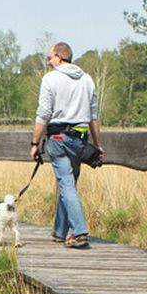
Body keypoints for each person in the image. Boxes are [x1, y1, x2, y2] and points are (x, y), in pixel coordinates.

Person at [30, 42, 104, 248]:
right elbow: (93, 116)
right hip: (80, 140)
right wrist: (98, 144)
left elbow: (43, 114)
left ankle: (79, 232)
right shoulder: (87, 80)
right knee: (68, 183)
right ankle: (60, 231)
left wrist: (35, 143)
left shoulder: (50, 79)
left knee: (66, 184)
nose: (48, 61)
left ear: (59, 57)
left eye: (49, 57)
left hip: (59, 139)